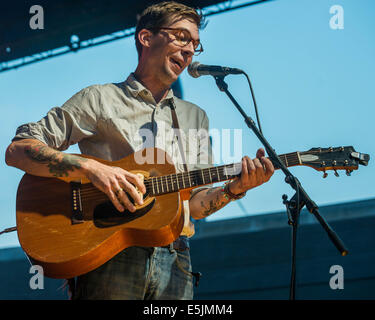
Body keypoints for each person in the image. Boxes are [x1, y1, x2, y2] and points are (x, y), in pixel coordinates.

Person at [5, 1, 274, 300]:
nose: (189, 50)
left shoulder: (195, 117)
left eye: (195, 44)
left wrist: (235, 189)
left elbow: (196, 204)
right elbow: (19, 149)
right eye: (182, 37)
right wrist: (92, 169)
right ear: (146, 38)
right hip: (111, 255)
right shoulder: (100, 99)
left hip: (177, 259)